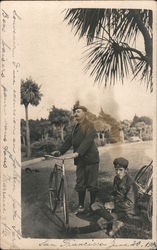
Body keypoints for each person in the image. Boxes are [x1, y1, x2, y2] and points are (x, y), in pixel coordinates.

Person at [52, 104, 99, 214]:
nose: (75, 114)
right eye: (74, 112)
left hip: (91, 159)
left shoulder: (90, 125)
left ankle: (93, 206)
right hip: (80, 161)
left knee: (92, 184)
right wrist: (60, 151)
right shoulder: (75, 127)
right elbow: (69, 141)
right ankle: (81, 206)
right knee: (80, 183)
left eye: (78, 111)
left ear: (85, 113)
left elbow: (88, 140)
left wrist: (78, 152)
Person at [91, 157, 137, 236]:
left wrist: (113, 206)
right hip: (115, 205)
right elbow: (114, 192)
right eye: (116, 169)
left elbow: (130, 204)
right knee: (93, 205)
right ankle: (112, 220)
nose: (118, 172)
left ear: (126, 170)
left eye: (120, 170)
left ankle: (77, 230)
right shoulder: (116, 178)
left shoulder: (131, 183)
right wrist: (110, 201)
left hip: (124, 210)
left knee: (101, 222)